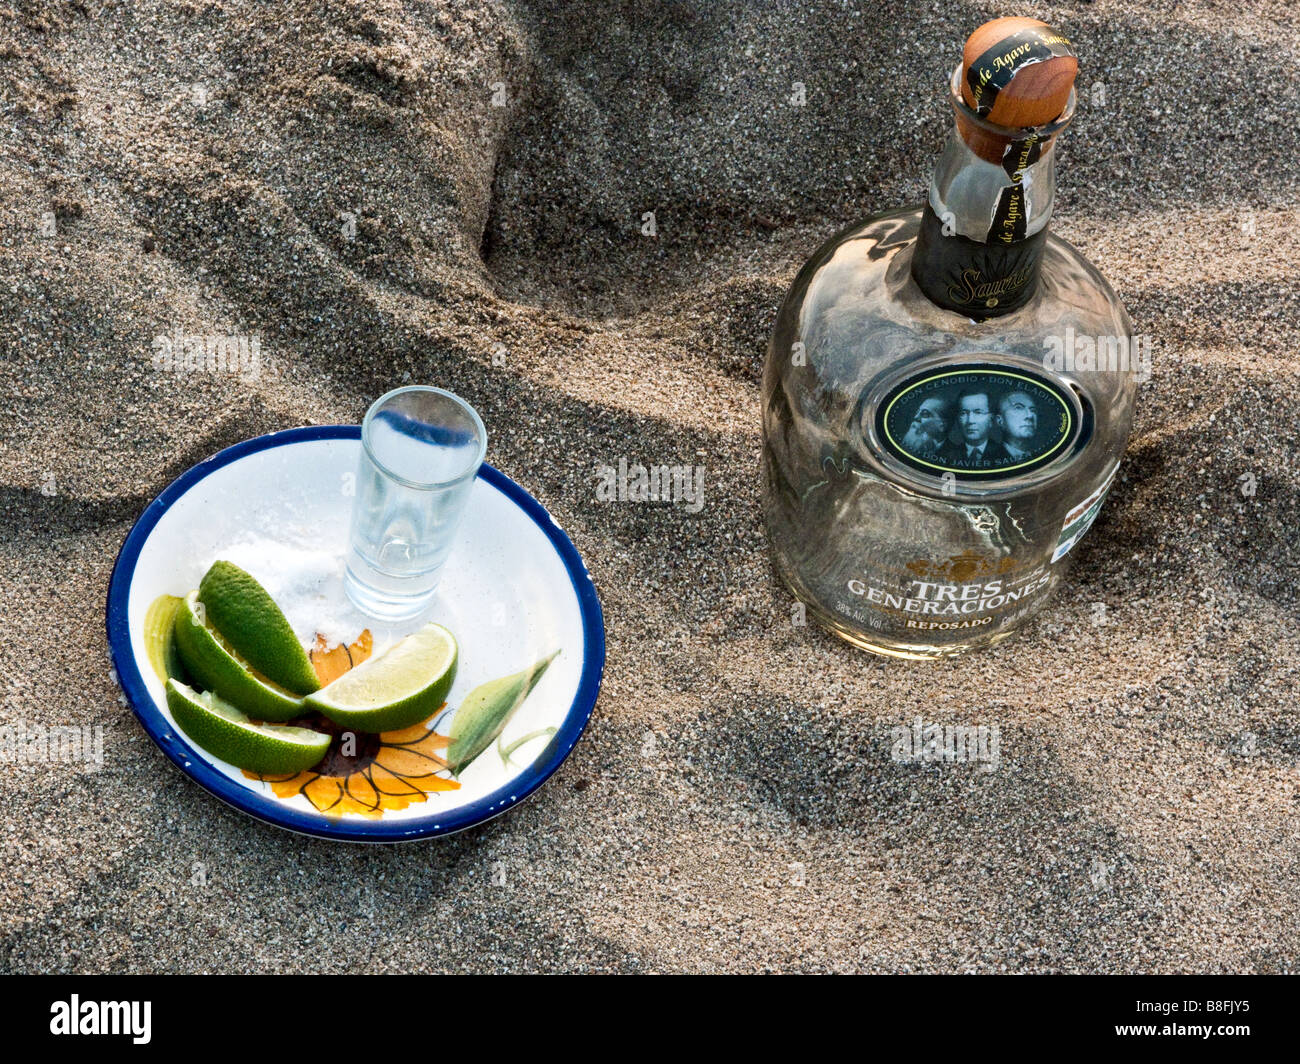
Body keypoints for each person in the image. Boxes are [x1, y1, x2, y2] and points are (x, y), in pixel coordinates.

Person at [936, 387, 1009, 467]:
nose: (970, 421)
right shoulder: (945, 455)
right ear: (957, 419)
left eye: (978, 412)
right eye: (963, 413)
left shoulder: (1006, 454)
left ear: (991, 420)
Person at [997, 389, 1038, 462]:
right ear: (1000, 421)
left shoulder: (1044, 455)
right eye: (1018, 408)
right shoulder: (990, 457)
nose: (1030, 415)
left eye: (1033, 410)